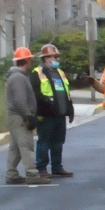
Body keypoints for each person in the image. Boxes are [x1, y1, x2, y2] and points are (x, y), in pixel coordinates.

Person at [3, 47, 47, 185]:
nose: (31, 62)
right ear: (26, 60)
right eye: (30, 59)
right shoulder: (18, 78)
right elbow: (19, 100)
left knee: (15, 147)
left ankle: (11, 174)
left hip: (15, 116)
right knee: (26, 145)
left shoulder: (16, 76)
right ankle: (32, 174)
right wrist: (28, 116)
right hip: (19, 117)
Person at [33, 44, 76, 178]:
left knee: (58, 143)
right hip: (46, 115)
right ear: (46, 58)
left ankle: (57, 167)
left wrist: (70, 109)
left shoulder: (60, 73)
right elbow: (34, 93)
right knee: (44, 142)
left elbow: (66, 93)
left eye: (58, 57)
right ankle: (41, 168)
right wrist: (46, 102)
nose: (57, 59)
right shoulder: (38, 73)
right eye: (55, 57)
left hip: (59, 115)